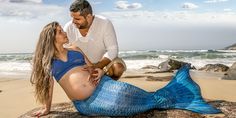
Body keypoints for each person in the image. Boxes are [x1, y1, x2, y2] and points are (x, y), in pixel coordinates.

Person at [30, 22, 221, 117]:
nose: (64, 32)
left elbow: (92, 66)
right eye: (60, 32)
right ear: (51, 37)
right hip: (85, 103)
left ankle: (179, 93)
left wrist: (102, 72)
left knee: (129, 93)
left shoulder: (75, 48)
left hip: (102, 85)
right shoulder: (49, 61)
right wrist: (47, 108)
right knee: (121, 108)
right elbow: (48, 86)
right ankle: (181, 95)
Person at [64, 0, 126, 80]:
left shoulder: (104, 23)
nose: (73, 22)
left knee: (118, 68)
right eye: (72, 18)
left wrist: (97, 67)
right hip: (81, 65)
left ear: (89, 17)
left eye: (77, 19)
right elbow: (63, 50)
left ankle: (107, 85)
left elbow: (113, 50)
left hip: (103, 63)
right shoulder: (68, 27)